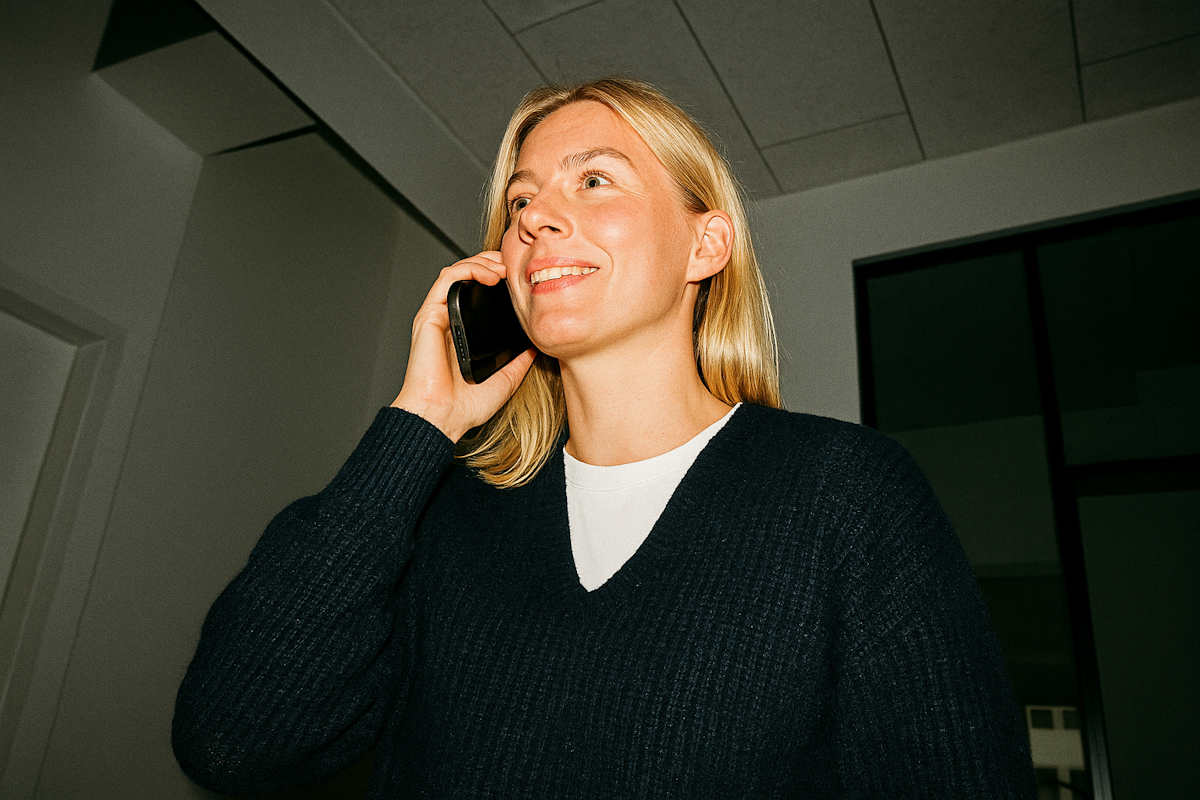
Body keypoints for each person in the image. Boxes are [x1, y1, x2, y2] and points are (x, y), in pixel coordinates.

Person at [173, 77, 1036, 798]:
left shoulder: (846, 492)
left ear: (706, 244)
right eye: (521, 200)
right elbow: (233, 740)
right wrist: (420, 427)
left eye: (593, 181)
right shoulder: (444, 517)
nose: (535, 218)